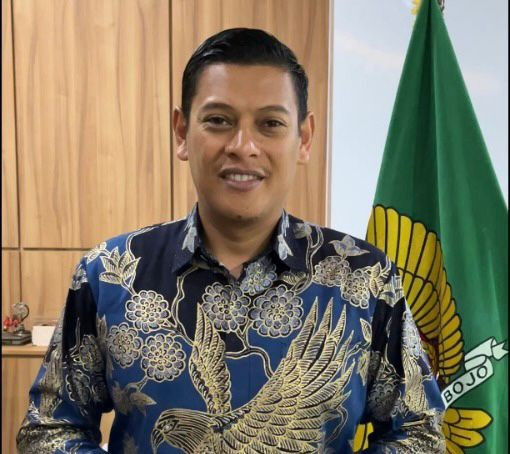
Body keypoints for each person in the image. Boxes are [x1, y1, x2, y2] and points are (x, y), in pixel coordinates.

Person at [17, 28, 445, 453]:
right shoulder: (110, 273)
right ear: (182, 131)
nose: (243, 146)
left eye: (270, 124)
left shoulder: (363, 278)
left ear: (304, 138)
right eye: (219, 120)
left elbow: (419, 433)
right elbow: (49, 430)